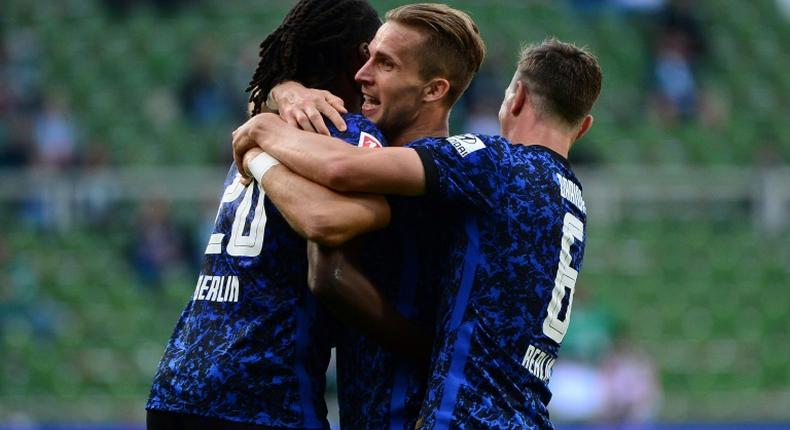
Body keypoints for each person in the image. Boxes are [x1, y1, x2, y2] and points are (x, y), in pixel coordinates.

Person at [233, 38, 602, 428]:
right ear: (584, 127)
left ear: (517, 98)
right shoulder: (573, 201)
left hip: (468, 418)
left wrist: (260, 134)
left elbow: (341, 167)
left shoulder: (497, 163)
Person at [144, 1, 403, 429]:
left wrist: (277, 96)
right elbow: (324, 219)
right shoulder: (347, 130)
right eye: (374, 54)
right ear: (359, 57)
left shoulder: (266, 125)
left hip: (177, 385)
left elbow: (257, 104)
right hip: (263, 392)